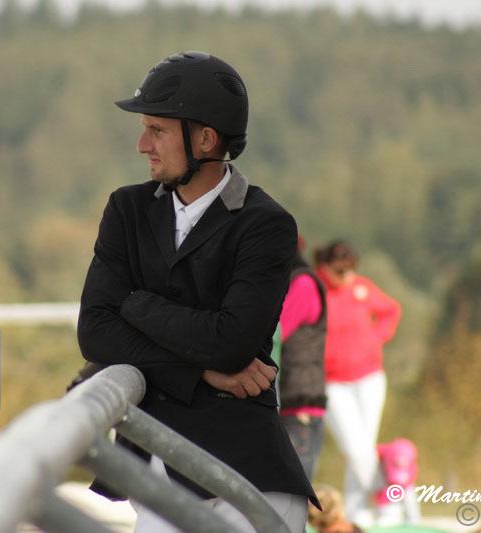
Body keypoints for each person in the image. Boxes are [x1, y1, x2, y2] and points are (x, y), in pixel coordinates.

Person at [76, 50, 317, 532]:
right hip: (152, 480)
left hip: (246, 485)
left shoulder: (266, 224)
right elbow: (96, 331)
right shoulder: (126, 209)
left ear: (205, 139)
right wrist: (197, 370)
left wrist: (136, 303)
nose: (142, 144)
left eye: (157, 130)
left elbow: (230, 345)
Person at [313, 240, 401, 527]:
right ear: (325, 267)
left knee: (364, 446)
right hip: (333, 381)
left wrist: (375, 338)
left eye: (351, 270)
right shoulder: (315, 290)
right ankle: (388, 498)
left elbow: (391, 310)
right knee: (355, 447)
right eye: (340, 271)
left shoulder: (361, 288)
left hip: (369, 378)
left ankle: (355, 511)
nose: (347, 276)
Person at [278, 243, 328, 481]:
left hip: (300, 401)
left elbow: (275, 331)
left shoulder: (303, 285)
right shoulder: (297, 281)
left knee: (293, 484)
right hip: (295, 397)